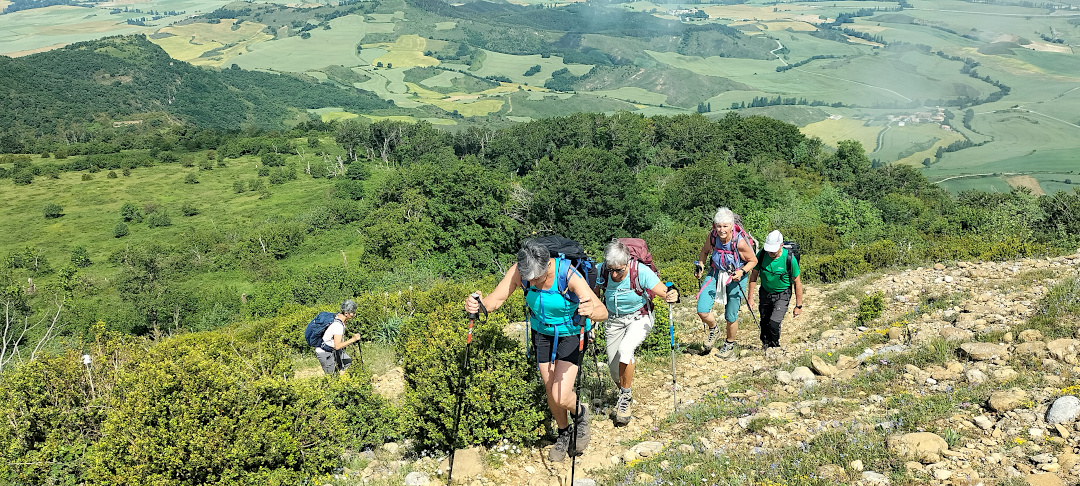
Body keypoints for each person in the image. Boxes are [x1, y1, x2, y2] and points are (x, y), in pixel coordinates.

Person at [464, 239, 607, 462]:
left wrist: (590, 311)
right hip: (541, 333)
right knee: (550, 390)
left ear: (548, 265)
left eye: (536, 278)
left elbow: (602, 311)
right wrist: (478, 304)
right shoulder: (520, 271)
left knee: (561, 395)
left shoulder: (567, 274)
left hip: (571, 333)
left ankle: (580, 414)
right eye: (528, 278)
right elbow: (495, 300)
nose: (531, 282)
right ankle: (563, 432)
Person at [594, 239, 678, 426]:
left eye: (618, 270)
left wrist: (672, 295)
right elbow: (594, 295)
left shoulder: (640, 271)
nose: (614, 274)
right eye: (610, 269)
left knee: (626, 350)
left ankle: (624, 398)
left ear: (627, 263)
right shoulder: (600, 270)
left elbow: (664, 292)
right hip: (613, 319)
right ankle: (626, 392)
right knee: (614, 371)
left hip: (639, 317)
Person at [694, 207, 758, 357]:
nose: (721, 230)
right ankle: (714, 329)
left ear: (731, 226)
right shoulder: (712, 236)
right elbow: (704, 251)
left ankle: (729, 344)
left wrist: (741, 272)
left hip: (736, 276)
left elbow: (753, 260)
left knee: (731, 315)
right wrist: (701, 265)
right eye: (718, 226)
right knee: (702, 309)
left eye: (725, 226)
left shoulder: (739, 242)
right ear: (714, 226)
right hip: (715, 272)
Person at [747, 230, 803, 353]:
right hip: (765, 292)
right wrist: (750, 298)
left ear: (781, 245)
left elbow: (797, 282)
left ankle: (775, 347)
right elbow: (753, 276)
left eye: (773, 250)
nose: (771, 253)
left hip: (783, 293)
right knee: (764, 321)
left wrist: (798, 305)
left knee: (774, 322)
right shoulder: (762, 255)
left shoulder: (789, 259)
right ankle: (766, 345)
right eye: (769, 250)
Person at [315, 299, 361, 375]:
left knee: (347, 362)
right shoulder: (338, 325)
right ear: (346, 313)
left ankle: (343, 377)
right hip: (325, 352)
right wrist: (353, 339)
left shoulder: (338, 317)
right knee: (331, 377)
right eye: (353, 312)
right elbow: (337, 346)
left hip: (332, 349)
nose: (354, 314)